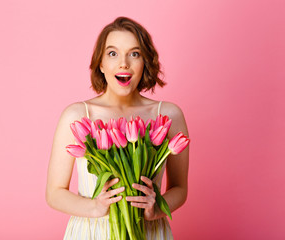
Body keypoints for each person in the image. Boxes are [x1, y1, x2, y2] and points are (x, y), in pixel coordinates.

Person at [46, 16, 190, 239]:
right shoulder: (76, 116)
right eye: (113, 53)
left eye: (134, 54)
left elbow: (180, 188)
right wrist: (95, 207)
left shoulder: (168, 115)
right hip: (92, 232)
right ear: (101, 63)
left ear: (145, 62)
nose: (124, 63)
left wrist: (156, 208)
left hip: (149, 231)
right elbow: (54, 193)